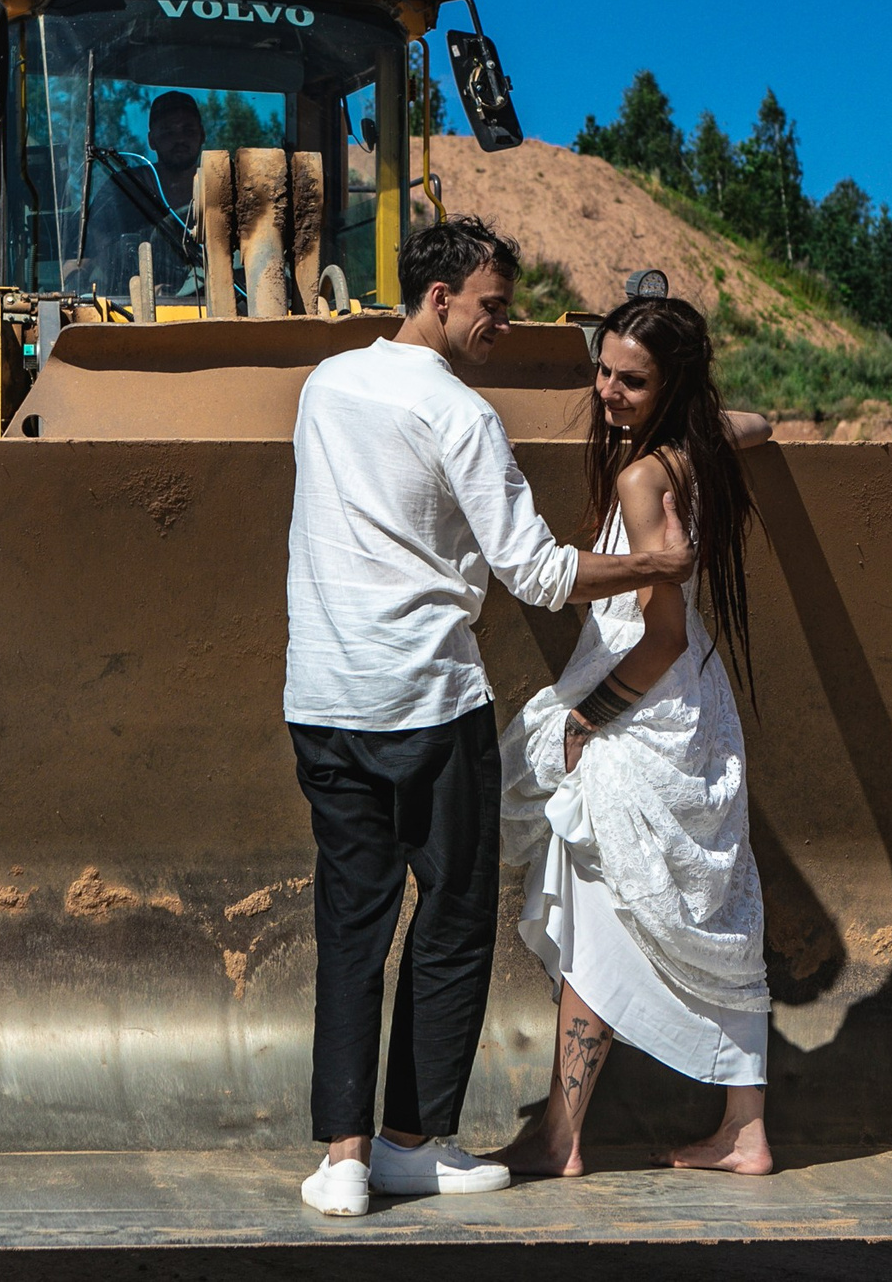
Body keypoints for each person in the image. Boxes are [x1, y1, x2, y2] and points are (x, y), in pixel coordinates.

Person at [282, 218, 701, 1217]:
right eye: (492, 307)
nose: (502, 327)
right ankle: (409, 1144)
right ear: (440, 299)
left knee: (351, 920)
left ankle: (341, 1156)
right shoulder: (461, 415)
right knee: (454, 917)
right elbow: (539, 573)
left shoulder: (325, 386)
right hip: (428, 704)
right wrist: (653, 564)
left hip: (322, 696)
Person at [487, 292, 776, 1179]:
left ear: (672, 384)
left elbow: (663, 634)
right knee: (712, 912)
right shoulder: (700, 451)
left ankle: (561, 1135)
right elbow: (755, 421)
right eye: (603, 369)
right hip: (695, 710)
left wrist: (586, 717)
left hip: (642, 716)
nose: (608, 391)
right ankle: (746, 1130)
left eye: (632, 379)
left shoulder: (642, 477)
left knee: (599, 925)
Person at [83, 89, 206, 292]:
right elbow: (99, 251)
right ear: (152, 140)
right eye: (168, 132)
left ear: (202, 135)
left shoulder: (222, 190)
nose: (180, 139)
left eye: (188, 130)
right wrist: (140, 287)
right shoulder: (125, 190)